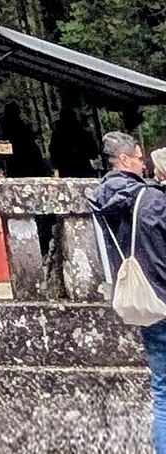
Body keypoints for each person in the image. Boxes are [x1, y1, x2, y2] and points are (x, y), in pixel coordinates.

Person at [91, 129, 166, 453]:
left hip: (145, 302)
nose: (142, 165)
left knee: (162, 393)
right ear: (124, 159)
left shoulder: (100, 198)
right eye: (138, 158)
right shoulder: (152, 200)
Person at [50, 93, 102, 178]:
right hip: (68, 168)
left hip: (80, 167)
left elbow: (93, 151)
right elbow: (54, 152)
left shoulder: (82, 133)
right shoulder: (58, 136)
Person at [0, 101, 48, 177]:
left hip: (24, 154)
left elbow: (29, 139)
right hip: (15, 156)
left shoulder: (20, 124)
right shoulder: (3, 125)